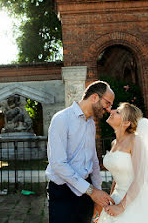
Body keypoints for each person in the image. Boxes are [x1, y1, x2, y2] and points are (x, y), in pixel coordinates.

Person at [46, 81, 116, 223]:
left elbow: (94, 160)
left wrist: (97, 193)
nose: (109, 109)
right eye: (108, 103)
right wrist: (92, 191)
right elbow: (58, 163)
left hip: (87, 192)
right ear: (95, 97)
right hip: (62, 192)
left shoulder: (91, 123)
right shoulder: (61, 119)